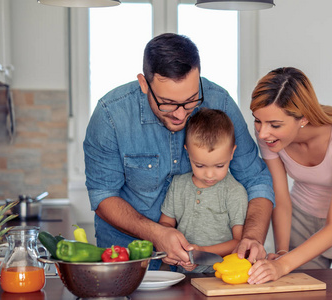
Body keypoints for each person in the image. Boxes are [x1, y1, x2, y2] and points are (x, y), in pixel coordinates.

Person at [83, 33, 274, 270]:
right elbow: (103, 195)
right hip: (128, 259)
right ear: (144, 83)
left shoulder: (220, 102)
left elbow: (256, 179)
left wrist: (253, 237)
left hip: (208, 267)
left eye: (192, 100)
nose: (181, 114)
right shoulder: (111, 115)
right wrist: (157, 233)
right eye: (168, 103)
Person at [247, 67, 332, 284]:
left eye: (275, 124)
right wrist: (282, 252)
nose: (262, 133)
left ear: (304, 118)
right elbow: (281, 199)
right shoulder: (268, 134)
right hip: (301, 219)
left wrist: (282, 265)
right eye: (257, 121)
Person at [159, 108, 248, 273]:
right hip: (183, 274)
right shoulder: (178, 185)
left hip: (221, 277)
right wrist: (177, 249)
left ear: (232, 153)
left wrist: (202, 252)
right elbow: (165, 224)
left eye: (219, 166)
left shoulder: (234, 191)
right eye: (199, 165)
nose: (209, 174)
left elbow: (239, 241)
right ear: (187, 152)